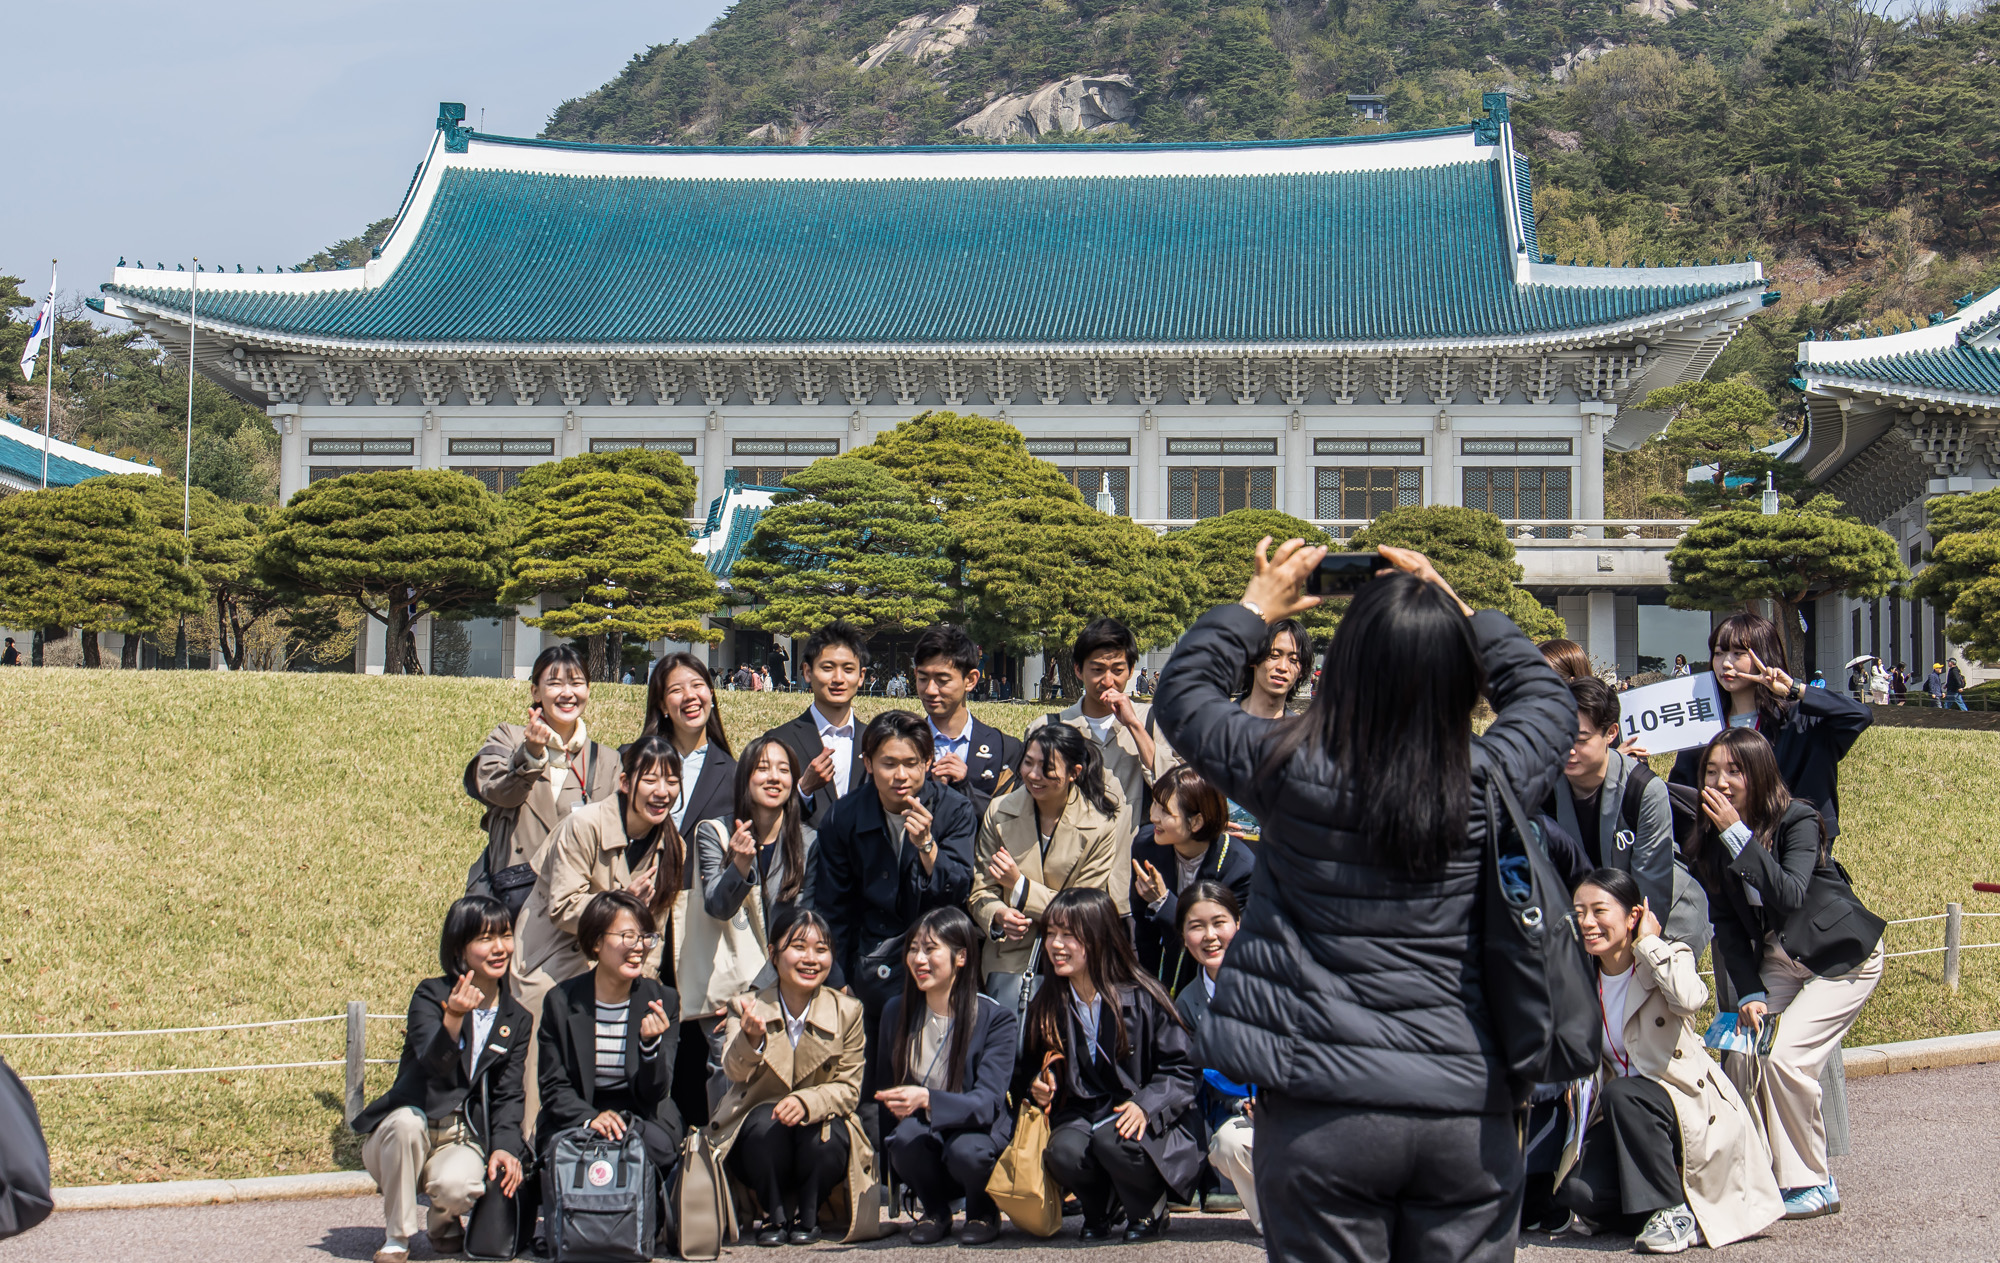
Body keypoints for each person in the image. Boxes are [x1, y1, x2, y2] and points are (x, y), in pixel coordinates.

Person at [1153, 538, 1575, 1262]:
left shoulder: (1289, 764)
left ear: (1340, 668)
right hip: (1465, 1109)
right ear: (1458, 675)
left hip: (1323, 1110)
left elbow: (1183, 696)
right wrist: (1455, 607)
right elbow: (1546, 698)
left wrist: (1257, 606)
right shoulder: (1490, 775)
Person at [1692, 727, 1883, 1219]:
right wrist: (1750, 991)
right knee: (1741, 1054)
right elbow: (1728, 927)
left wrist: (1737, 833)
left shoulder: (1797, 818)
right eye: (1712, 771)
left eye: (1734, 770)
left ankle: (1813, 1182)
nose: (1722, 781)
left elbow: (1790, 894)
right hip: (1779, 958)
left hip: (1840, 956)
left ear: (1758, 772)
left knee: (1784, 1058)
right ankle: (1755, 1173)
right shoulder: (1711, 842)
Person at [1555, 869, 1782, 1251]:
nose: (1587, 923)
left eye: (1599, 911)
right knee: (1578, 1193)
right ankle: (1664, 1206)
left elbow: (1691, 998)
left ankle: (1674, 1210)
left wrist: (1650, 943)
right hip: (1619, 1115)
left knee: (1624, 1095)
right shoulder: (1582, 977)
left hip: (1682, 1104)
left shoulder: (1667, 955)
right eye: (1579, 912)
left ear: (1633, 916)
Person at [813, 710, 977, 1126]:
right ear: (868, 764)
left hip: (938, 962)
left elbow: (958, 891)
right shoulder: (844, 816)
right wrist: (838, 980)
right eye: (888, 763)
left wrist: (927, 847)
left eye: (911, 763)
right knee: (875, 1084)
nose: (900, 775)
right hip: (872, 962)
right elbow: (834, 908)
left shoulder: (954, 811)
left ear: (928, 762)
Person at [513, 736, 681, 1131]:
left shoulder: (672, 846)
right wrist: (619, 900)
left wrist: (647, 984)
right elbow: (562, 906)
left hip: (619, 964)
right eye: (650, 779)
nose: (662, 792)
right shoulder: (583, 825)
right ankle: (535, 1147)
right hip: (553, 953)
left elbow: (654, 929)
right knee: (548, 1012)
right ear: (625, 782)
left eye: (672, 781)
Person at [354, 896, 530, 1263]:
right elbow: (432, 1064)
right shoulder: (430, 995)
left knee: (460, 1185)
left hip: (461, 1136)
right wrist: (453, 1016)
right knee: (406, 1122)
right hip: (403, 1130)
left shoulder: (516, 1017)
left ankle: (443, 1220)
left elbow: (509, 1093)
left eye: (506, 935)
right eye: (485, 938)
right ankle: (397, 1238)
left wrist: (505, 1147)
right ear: (460, 948)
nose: (500, 948)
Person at [1018, 888, 1199, 1242]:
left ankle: (1151, 1209)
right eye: (1051, 933)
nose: (1056, 944)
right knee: (1062, 1152)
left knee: (1113, 1140)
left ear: (1099, 937)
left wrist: (1146, 1104)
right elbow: (1027, 1067)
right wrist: (1038, 1085)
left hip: (1148, 1116)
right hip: (1082, 1112)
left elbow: (1183, 1069)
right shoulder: (1049, 999)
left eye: (1069, 934)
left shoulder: (1144, 996)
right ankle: (1099, 1209)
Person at [708, 908, 879, 1245]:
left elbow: (849, 1088)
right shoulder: (746, 1006)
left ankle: (810, 1215)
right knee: (761, 1127)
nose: (811, 958)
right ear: (773, 954)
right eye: (798, 947)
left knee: (825, 1137)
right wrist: (750, 1039)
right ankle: (774, 1215)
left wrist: (807, 1101)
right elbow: (733, 1071)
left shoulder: (848, 1011)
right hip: (762, 1135)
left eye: (822, 948)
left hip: (820, 1128)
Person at [534, 891, 683, 1238]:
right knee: (563, 1149)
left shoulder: (663, 1000)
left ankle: (642, 1220)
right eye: (627, 936)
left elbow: (658, 1091)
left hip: (640, 1113)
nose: (639, 947)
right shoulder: (561, 1001)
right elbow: (554, 1086)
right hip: (580, 1112)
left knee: (658, 1147)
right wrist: (590, 1118)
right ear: (597, 942)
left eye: (645, 937)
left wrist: (650, 1047)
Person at [684, 738, 819, 1113]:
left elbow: (804, 924)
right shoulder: (715, 832)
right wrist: (739, 866)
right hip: (727, 992)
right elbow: (715, 907)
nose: (773, 777)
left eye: (783, 769)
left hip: (784, 990)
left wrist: (763, 996)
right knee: (728, 1091)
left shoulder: (808, 842)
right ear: (744, 778)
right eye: (762, 768)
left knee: (780, 1096)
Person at [874, 907, 1018, 1245]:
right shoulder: (897, 1011)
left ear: (961, 957)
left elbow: (986, 1104)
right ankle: (934, 1210)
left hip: (977, 1133)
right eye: (912, 949)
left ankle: (982, 1211)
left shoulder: (995, 1018)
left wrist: (926, 1100)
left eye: (930, 948)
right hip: (927, 1134)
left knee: (967, 1150)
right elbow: (882, 1095)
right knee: (904, 1140)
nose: (918, 959)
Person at [1667, 613, 1870, 845]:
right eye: (1718, 653)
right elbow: (1682, 795)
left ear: (1764, 655)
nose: (1725, 663)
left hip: (1792, 849)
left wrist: (1794, 688)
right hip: (1720, 852)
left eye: (1738, 653)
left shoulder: (1801, 719)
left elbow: (1858, 715)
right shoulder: (1705, 724)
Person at [464, 646, 621, 918]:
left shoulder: (607, 761)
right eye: (554, 683)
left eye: (577, 683)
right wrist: (530, 754)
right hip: (509, 903)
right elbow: (496, 793)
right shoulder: (507, 738)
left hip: (572, 911)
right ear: (535, 692)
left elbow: (613, 841)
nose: (567, 693)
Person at [967, 723, 1129, 984]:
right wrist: (998, 914)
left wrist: (1019, 887)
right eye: (1027, 763)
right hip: (1008, 960)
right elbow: (980, 891)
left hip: (1074, 959)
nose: (1032, 775)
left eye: (1046, 768)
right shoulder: (999, 811)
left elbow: (1082, 912)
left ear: (1074, 772)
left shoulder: (1099, 826)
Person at [1553, 678, 1706, 952]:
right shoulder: (1546, 790)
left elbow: (1651, 890)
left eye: (1581, 739)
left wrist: (1628, 956)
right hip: (1589, 928)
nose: (1568, 750)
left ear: (1611, 733)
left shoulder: (1643, 790)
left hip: (1662, 926)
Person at [1025, 617, 1177, 842]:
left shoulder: (1153, 721)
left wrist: (1133, 725)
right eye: (1097, 669)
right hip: (1068, 865)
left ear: (1131, 669)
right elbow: (1027, 801)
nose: (1108, 681)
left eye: (1117, 670)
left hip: (1131, 865)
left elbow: (1177, 791)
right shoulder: (1049, 727)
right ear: (1078, 670)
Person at [1170, 881, 1258, 1228]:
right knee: (1226, 1143)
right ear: (1182, 935)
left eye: (1219, 922)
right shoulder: (1187, 1002)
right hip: (1228, 1114)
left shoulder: (1275, 984)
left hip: (1289, 1109)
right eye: (1196, 926)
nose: (1210, 936)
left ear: (1239, 923)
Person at [1132, 765, 1255, 994]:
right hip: (1160, 976)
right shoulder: (1147, 846)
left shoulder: (1238, 868)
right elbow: (1144, 930)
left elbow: (1219, 944)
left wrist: (1163, 902)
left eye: (1166, 811)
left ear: (1196, 822)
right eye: (1155, 804)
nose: (1153, 817)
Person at [759, 621, 869, 827]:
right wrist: (803, 789)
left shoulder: (876, 741)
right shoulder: (778, 741)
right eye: (827, 668)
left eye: (848, 669)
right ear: (807, 672)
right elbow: (760, 816)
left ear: (861, 676)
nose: (838, 678)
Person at [911, 623, 1023, 820]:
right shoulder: (901, 743)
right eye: (923, 678)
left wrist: (965, 788)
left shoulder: (1006, 749)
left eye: (942, 680)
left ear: (970, 680)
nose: (930, 690)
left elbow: (1012, 821)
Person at [640, 652, 738, 842]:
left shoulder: (734, 775)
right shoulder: (632, 761)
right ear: (663, 705)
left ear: (711, 694)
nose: (690, 696)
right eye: (676, 690)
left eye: (697, 685)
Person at [1237, 618, 1311, 720]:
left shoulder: (1301, 733)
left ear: (1301, 671)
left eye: (1293, 660)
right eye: (1274, 655)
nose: (1283, 667)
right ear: (1253, 659)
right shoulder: (1217, 724)